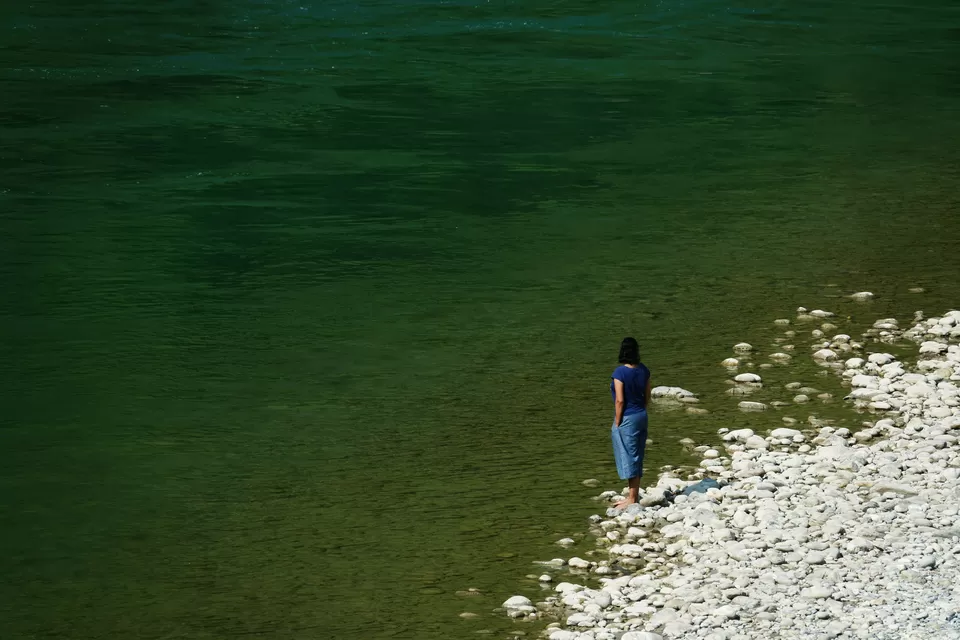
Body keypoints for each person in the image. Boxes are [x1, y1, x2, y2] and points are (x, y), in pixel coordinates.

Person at [609, 337, 651, 509]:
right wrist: (643, 409)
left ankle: (632, 498)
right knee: (637, 454)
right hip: (641, 414)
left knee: (628, 455)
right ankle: (632, 495)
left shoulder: (619, 373)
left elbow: (620, 400)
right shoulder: (644, 370)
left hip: (627, 417)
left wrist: (617, 421)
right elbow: (648, 395)